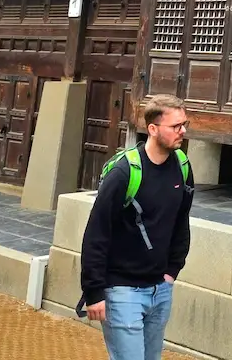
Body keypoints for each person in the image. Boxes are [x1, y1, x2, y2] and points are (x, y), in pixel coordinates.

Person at [80, 95, 194, 360]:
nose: (183, 131)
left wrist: (172, 271)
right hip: (122, 291)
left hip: (160, 288)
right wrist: (94, 291)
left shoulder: (183, 167)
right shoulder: (124, 173)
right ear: (153, 129)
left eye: (184, 124)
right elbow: (96, 234)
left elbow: (181, 223)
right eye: (175, 126)